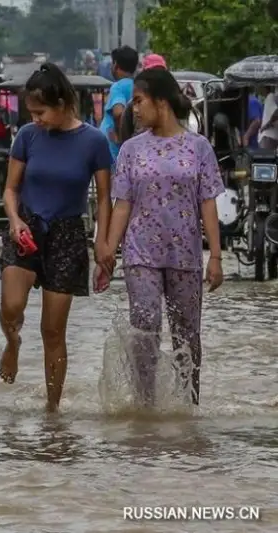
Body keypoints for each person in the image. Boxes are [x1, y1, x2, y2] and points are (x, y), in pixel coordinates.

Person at [0, 63, 114, 413]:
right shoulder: (28, 137)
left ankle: (52, 410)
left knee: (52, 331)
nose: (36, 119)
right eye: (31, 112)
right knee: (11, 307)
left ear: (62, 103)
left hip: (67, 235)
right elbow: (10, 189)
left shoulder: (94, 141)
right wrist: (15, 220)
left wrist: (104, 244)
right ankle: (13, 341)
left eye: (41, 111)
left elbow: (106, 197)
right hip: (27, 227)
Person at [105, 68, 224, 407]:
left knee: (187, 335)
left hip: (185, 254)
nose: (134, 110)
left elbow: (208, 203)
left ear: (161, 101)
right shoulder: (130, 150)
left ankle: (190, 403)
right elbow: (122, 204)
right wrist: (108, 252)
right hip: (140, 252)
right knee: (145, 324)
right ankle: (145, 405)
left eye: (139, 101)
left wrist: (215, 256)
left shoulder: (199, 148)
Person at [100, 45, 139, 165]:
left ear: (115, 65)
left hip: (112, 150)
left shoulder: (118, 87)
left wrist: (119, 137)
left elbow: (118, 112)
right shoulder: (137, 86)